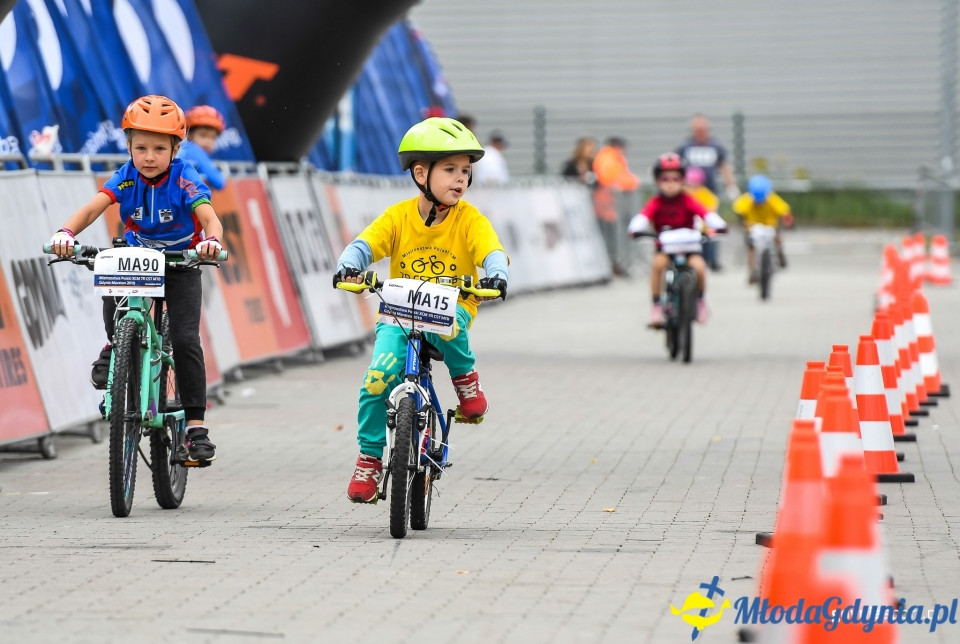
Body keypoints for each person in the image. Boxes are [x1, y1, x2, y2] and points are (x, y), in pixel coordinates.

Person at [333, 117, 509, 504]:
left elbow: (490, 250)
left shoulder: (469, 220)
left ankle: (465, 380)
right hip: (399, 309)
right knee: (377, 379)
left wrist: (496, 274)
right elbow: (367, 244)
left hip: (451, 306)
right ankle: (368, 459)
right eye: (450, 170)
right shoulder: (398, 216)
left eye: (465, 170)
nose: (460, 179)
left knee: (448, 329)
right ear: (419, 173)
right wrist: (349, 264)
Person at [49, 95, 225, 462]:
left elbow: (209, 217)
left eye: (159, 148)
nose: (148, 157)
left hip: (181, 262)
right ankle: (116, 346)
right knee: (111, 283)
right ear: (128, 146)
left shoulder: (184, 175)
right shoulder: (125, 176)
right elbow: (93, 207)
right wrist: (66, 233)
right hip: (139, 258)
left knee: (186, 338)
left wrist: (211, 242)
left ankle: (195, 429)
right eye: (140, 147)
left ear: (176, 149)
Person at [627, 153, 727, 328]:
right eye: (665, 179)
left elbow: (706, 214)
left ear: (683, 180)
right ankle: (657, 305)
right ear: (657, 181)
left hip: (689, 246)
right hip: (665, 247)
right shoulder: (656, 202)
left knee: (699, 268)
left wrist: (719, 225)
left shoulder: (688, 200)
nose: (670, 183)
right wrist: (635, 228)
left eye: (676, 178)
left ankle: (700, 301)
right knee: (658, 265)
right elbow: (643, 216)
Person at [676, 114, 739, 271]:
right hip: (689, 194)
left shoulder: (715, 146)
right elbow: (677, 167)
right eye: (697, 129)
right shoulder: (686, 146)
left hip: (709, 195)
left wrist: (731, 186)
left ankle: (712, 260)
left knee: (711, 226)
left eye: (703, 129)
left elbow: (724, 166)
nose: (700, 132)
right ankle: (691, 257)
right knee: (689, 225)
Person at [592, 137, 640, 277]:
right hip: (606, 205)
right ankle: (610, 265)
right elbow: (609, 179)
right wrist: (631, 182)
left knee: (613, 237)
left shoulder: (614, 158)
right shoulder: (607, 158)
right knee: (609, 238)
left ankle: (614, 265)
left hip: (612, 206)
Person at [733, 174, 793, 283]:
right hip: (753, 227)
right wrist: (744, 226)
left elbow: (785, 212)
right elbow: (740, 213)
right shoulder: (746, 200)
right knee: (751, 247)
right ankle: (752, 272)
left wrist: (788, 223)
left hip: (770, 226)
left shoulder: (772, 199)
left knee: (778, 238)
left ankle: (780, 255)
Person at [177, 105, 227, 190]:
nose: (208, 141)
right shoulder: (192, 150)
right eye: (203, 135)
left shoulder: (183, 150)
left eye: (213, 138)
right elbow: (219, 182)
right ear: (188, 135)